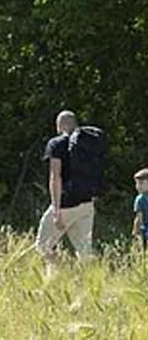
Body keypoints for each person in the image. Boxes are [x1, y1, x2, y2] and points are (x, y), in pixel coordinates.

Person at [35, 110, 106, 262]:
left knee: (42, 247)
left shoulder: (56, 144)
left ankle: (57, 274)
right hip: (87, 202)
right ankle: (94, 281)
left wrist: (56, 209)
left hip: (66, 204)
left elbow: (55, 176)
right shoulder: (88, 143)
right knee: (85, 252)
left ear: (60, 125)